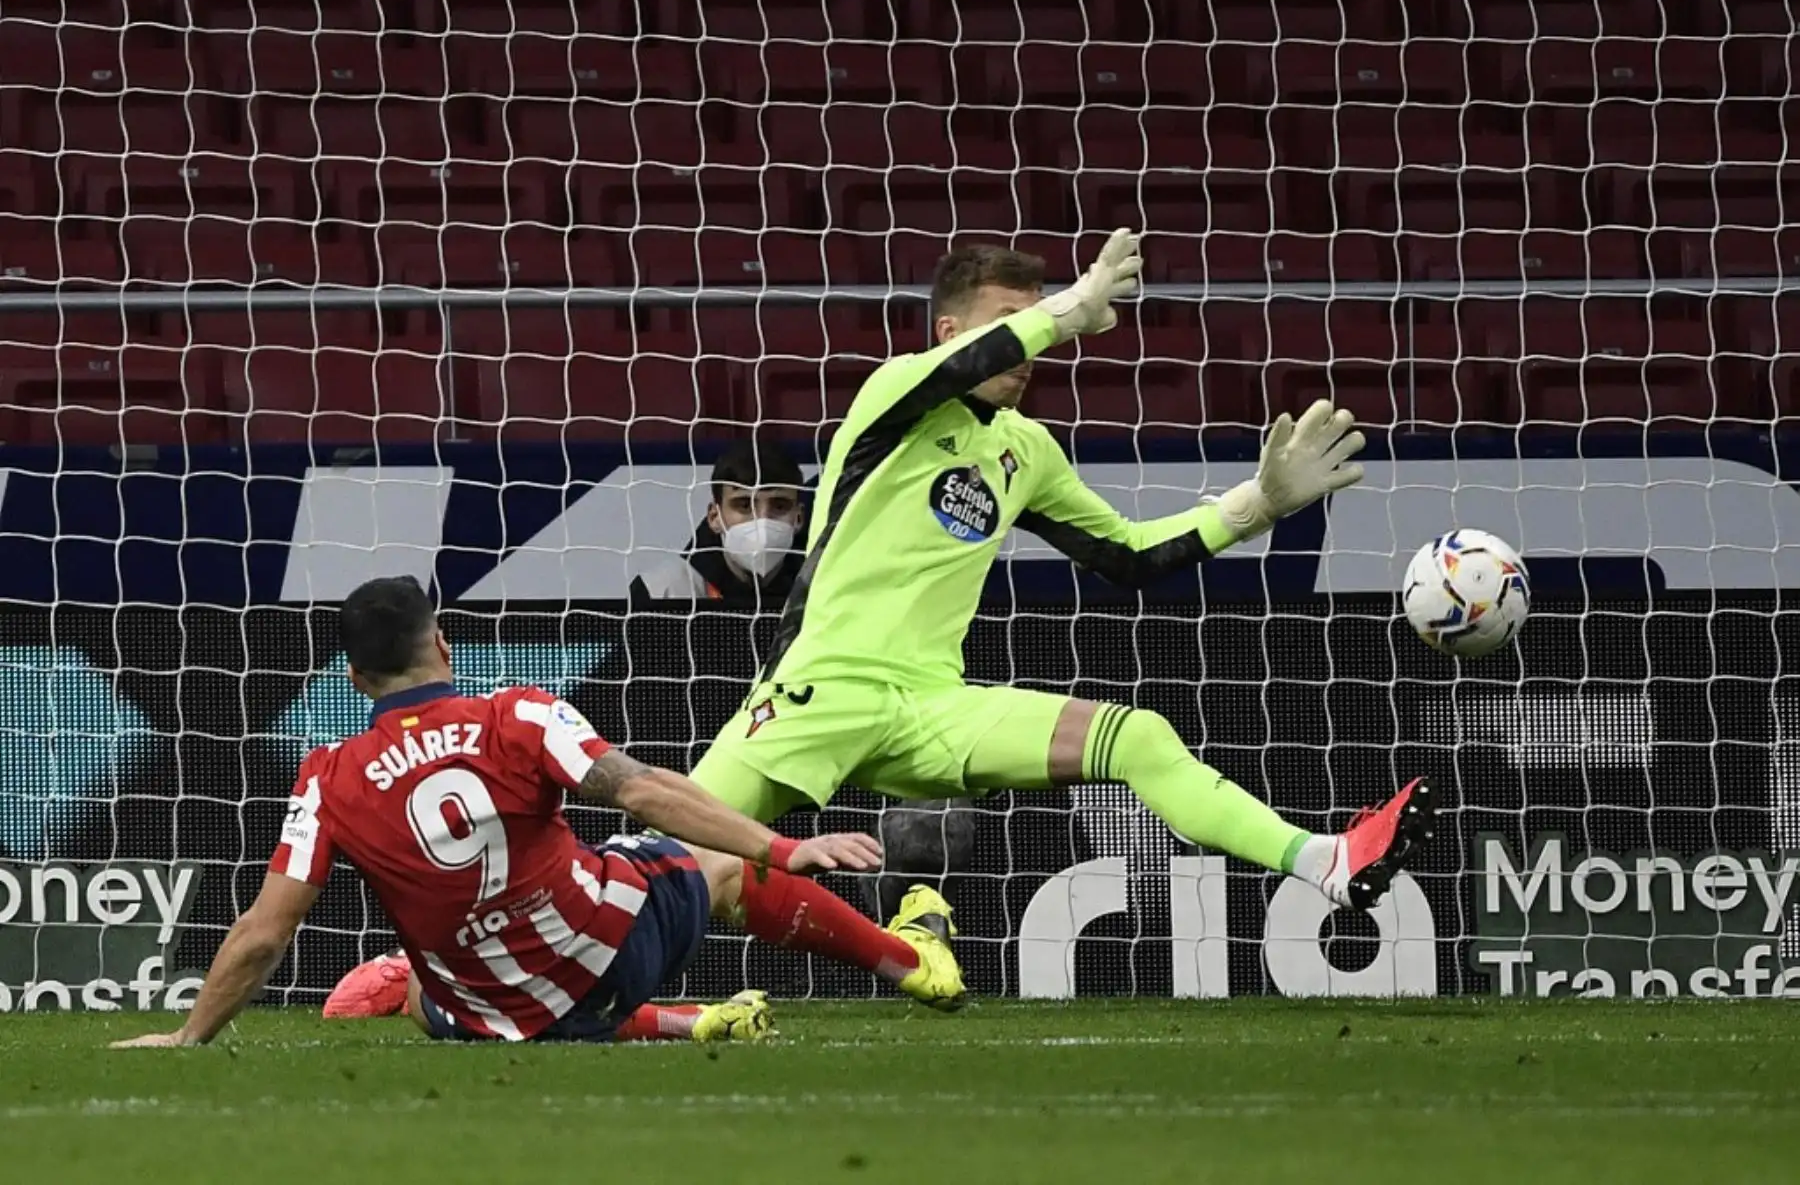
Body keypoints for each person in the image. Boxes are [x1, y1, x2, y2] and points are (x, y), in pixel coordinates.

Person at [684, 230, 1440, 1003]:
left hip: (928, 708)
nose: (1029, 342)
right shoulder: (895, 396)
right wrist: (1075, 308)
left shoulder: (1026, 451)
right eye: (1009, 318)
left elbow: (1129, 556)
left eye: (1035, 317)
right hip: (818, 692)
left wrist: (1256, 505)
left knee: (1138, 736)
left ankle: (1327, 861)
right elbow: (968, 366)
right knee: (672, 860)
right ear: (950, 332)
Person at [111, 576, 959, 1049]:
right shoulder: (516, 714)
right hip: (614, 952)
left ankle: (670, 1024)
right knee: (719, 865)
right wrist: (780, 843)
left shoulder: (326, 776)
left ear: (353, 680)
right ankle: (909, 962)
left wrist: (188, 1036)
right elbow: (644, 789)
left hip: (481, 1019)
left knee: (416, 986)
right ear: (444, 644)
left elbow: (265, 930)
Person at [630, 439, 807, 605]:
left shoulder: (820, 587)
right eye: (744, 506)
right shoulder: (661, 591)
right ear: (714, 517)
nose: (762, 520)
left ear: (798, 518)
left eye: (779, 506)